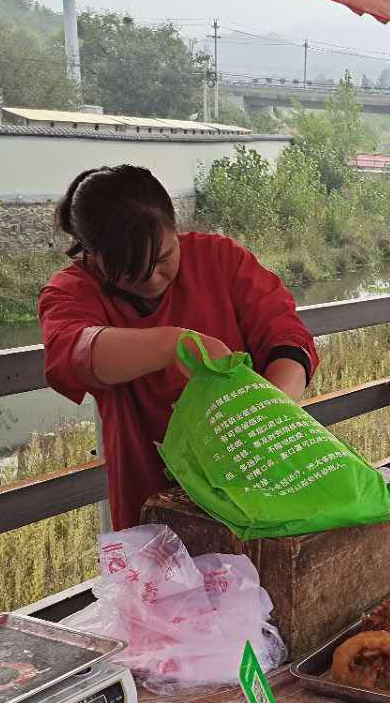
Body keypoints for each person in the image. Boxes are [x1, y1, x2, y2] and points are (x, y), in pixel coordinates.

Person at [38, 165, 317, 531]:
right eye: (129, 268)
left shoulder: (220, 260)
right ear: (92, 254)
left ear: (175, 228)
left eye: (164, 258)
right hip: (153, 498)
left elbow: (285, 336)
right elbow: (73, 354)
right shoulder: (72, 291)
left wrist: (271, 416)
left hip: (253, 481)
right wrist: (176, 343)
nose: (152, 277)